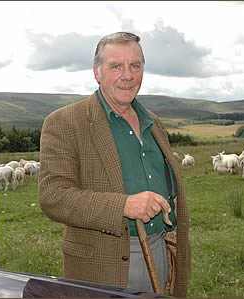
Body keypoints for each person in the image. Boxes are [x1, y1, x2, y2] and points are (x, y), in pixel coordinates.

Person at [39, 32, 190, 297]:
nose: (128, 75)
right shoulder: (64, 122)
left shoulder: (153, 122)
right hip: (103, 264)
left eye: (135, 65)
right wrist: (124, 205)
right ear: (97, 72)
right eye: (116, 66)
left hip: (162, 251)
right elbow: (54, 197)